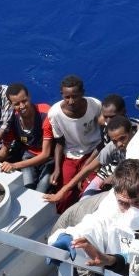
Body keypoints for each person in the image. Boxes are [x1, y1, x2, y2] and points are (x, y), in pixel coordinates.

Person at [46, 74, 105, 213]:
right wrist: (57, 168)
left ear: (83, 94)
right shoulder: (54, 114)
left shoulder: (95, 105)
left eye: (75, 96)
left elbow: (104, 137)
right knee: (63, 196)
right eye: (67, 97)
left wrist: (88, 163)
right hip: (71, 155)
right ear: (62, 95)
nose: (71, 101)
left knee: (86, 192)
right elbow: (59, 143)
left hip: (94, 152)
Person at [46, 113, 133, 203]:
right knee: (83, 203)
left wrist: (114, 177)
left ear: (131, 131)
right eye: (114, 141)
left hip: (128, 182)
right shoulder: (112, 147)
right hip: (107, 177)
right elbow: (89, 169)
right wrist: (63, 191)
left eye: (123, 138)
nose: (119, 144)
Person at [0, 84, 54, 190]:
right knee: (27, 188)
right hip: (28, 157)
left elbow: (45, 154)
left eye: (24, 101)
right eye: (16, 104)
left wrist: (15, 165)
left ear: (29, 96)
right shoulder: (12, 120)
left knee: (40, 191)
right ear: (11, 104)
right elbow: (4, 152)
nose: (22, 106)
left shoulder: (45, 114)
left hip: (50, 159)